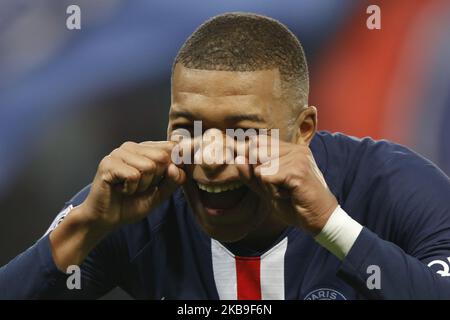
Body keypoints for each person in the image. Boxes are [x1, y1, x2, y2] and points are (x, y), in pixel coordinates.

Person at [1, 12, 450, 300]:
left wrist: (332, 226)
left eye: (242, 133)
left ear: (303, 130)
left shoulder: (390, 184)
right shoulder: (131, 207)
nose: (212, 157)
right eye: (188, 128)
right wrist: (84, 227)